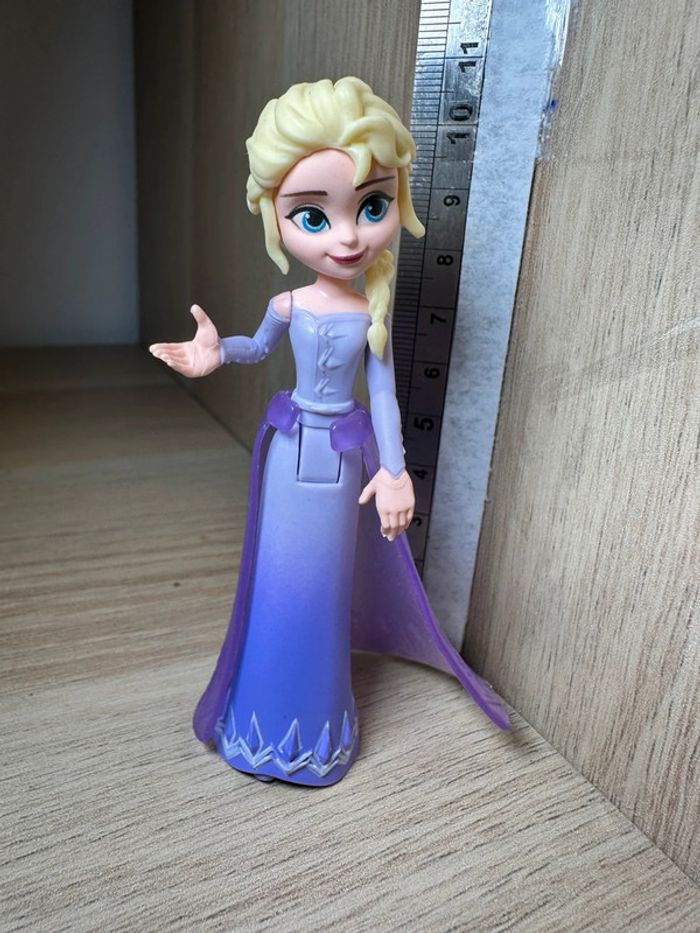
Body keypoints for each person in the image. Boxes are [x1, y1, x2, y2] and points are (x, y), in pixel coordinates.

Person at [150, 77, 509, 787]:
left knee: (321, 589)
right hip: (287, 452)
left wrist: (396, 472)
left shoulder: (369, 319)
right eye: (313, 216)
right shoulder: (287, 303)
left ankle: (315, 730)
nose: (347, 236)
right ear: (274, 216)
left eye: (371, 207)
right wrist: (218, 353)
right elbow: (257, 346)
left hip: (344, 463)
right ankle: (258, 723)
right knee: (275, 582)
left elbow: (384, 397)